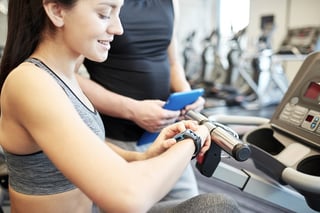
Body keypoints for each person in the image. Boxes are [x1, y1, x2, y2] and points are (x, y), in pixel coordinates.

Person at [0, 0, 241, 213]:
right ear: (56, 11)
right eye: (105, 14)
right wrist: (194, 139)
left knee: (216, 206)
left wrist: (140, 157)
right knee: (216, 207)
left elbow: (83, 143)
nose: (118, 28)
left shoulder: (65, 77)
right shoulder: (31, 82)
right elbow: (129, 199)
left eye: (118, 13)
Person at [76, 0, 205, 201]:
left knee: (191, 203)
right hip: (117, 138)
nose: (116, 27)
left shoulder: (170, 3)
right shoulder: (105, 4)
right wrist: (132, 110)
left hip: (166, 133)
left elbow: (173, 63)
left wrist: (186, 94)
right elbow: (71, 76)